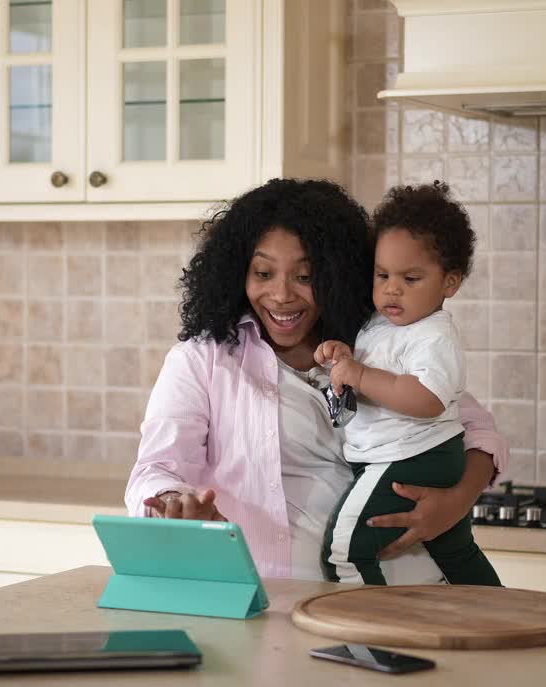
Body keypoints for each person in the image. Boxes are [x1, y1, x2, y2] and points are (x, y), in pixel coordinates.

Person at [123, 178, 508, 583]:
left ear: (335, 274)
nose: (281, 294)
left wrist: (456, 502)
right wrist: (174, 503)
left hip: (412, 600)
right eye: (263, 272)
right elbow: (156, 468)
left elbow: (477, 429)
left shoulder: (374, 342)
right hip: (274, 606)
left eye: (304, 277)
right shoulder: (204, 360)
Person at [314, 182, 500, 586]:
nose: (391, 288)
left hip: (412, 455)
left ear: (450, 283)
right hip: (416, 452)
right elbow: (378, 366)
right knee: (456, 551)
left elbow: (427, 398)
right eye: (382, 275)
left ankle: (370, 641)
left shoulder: (434, 337)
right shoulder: (385, 324)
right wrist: (345, 356)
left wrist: (361, 376)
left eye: (410, 278)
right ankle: (499, 614)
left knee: (343, 553)